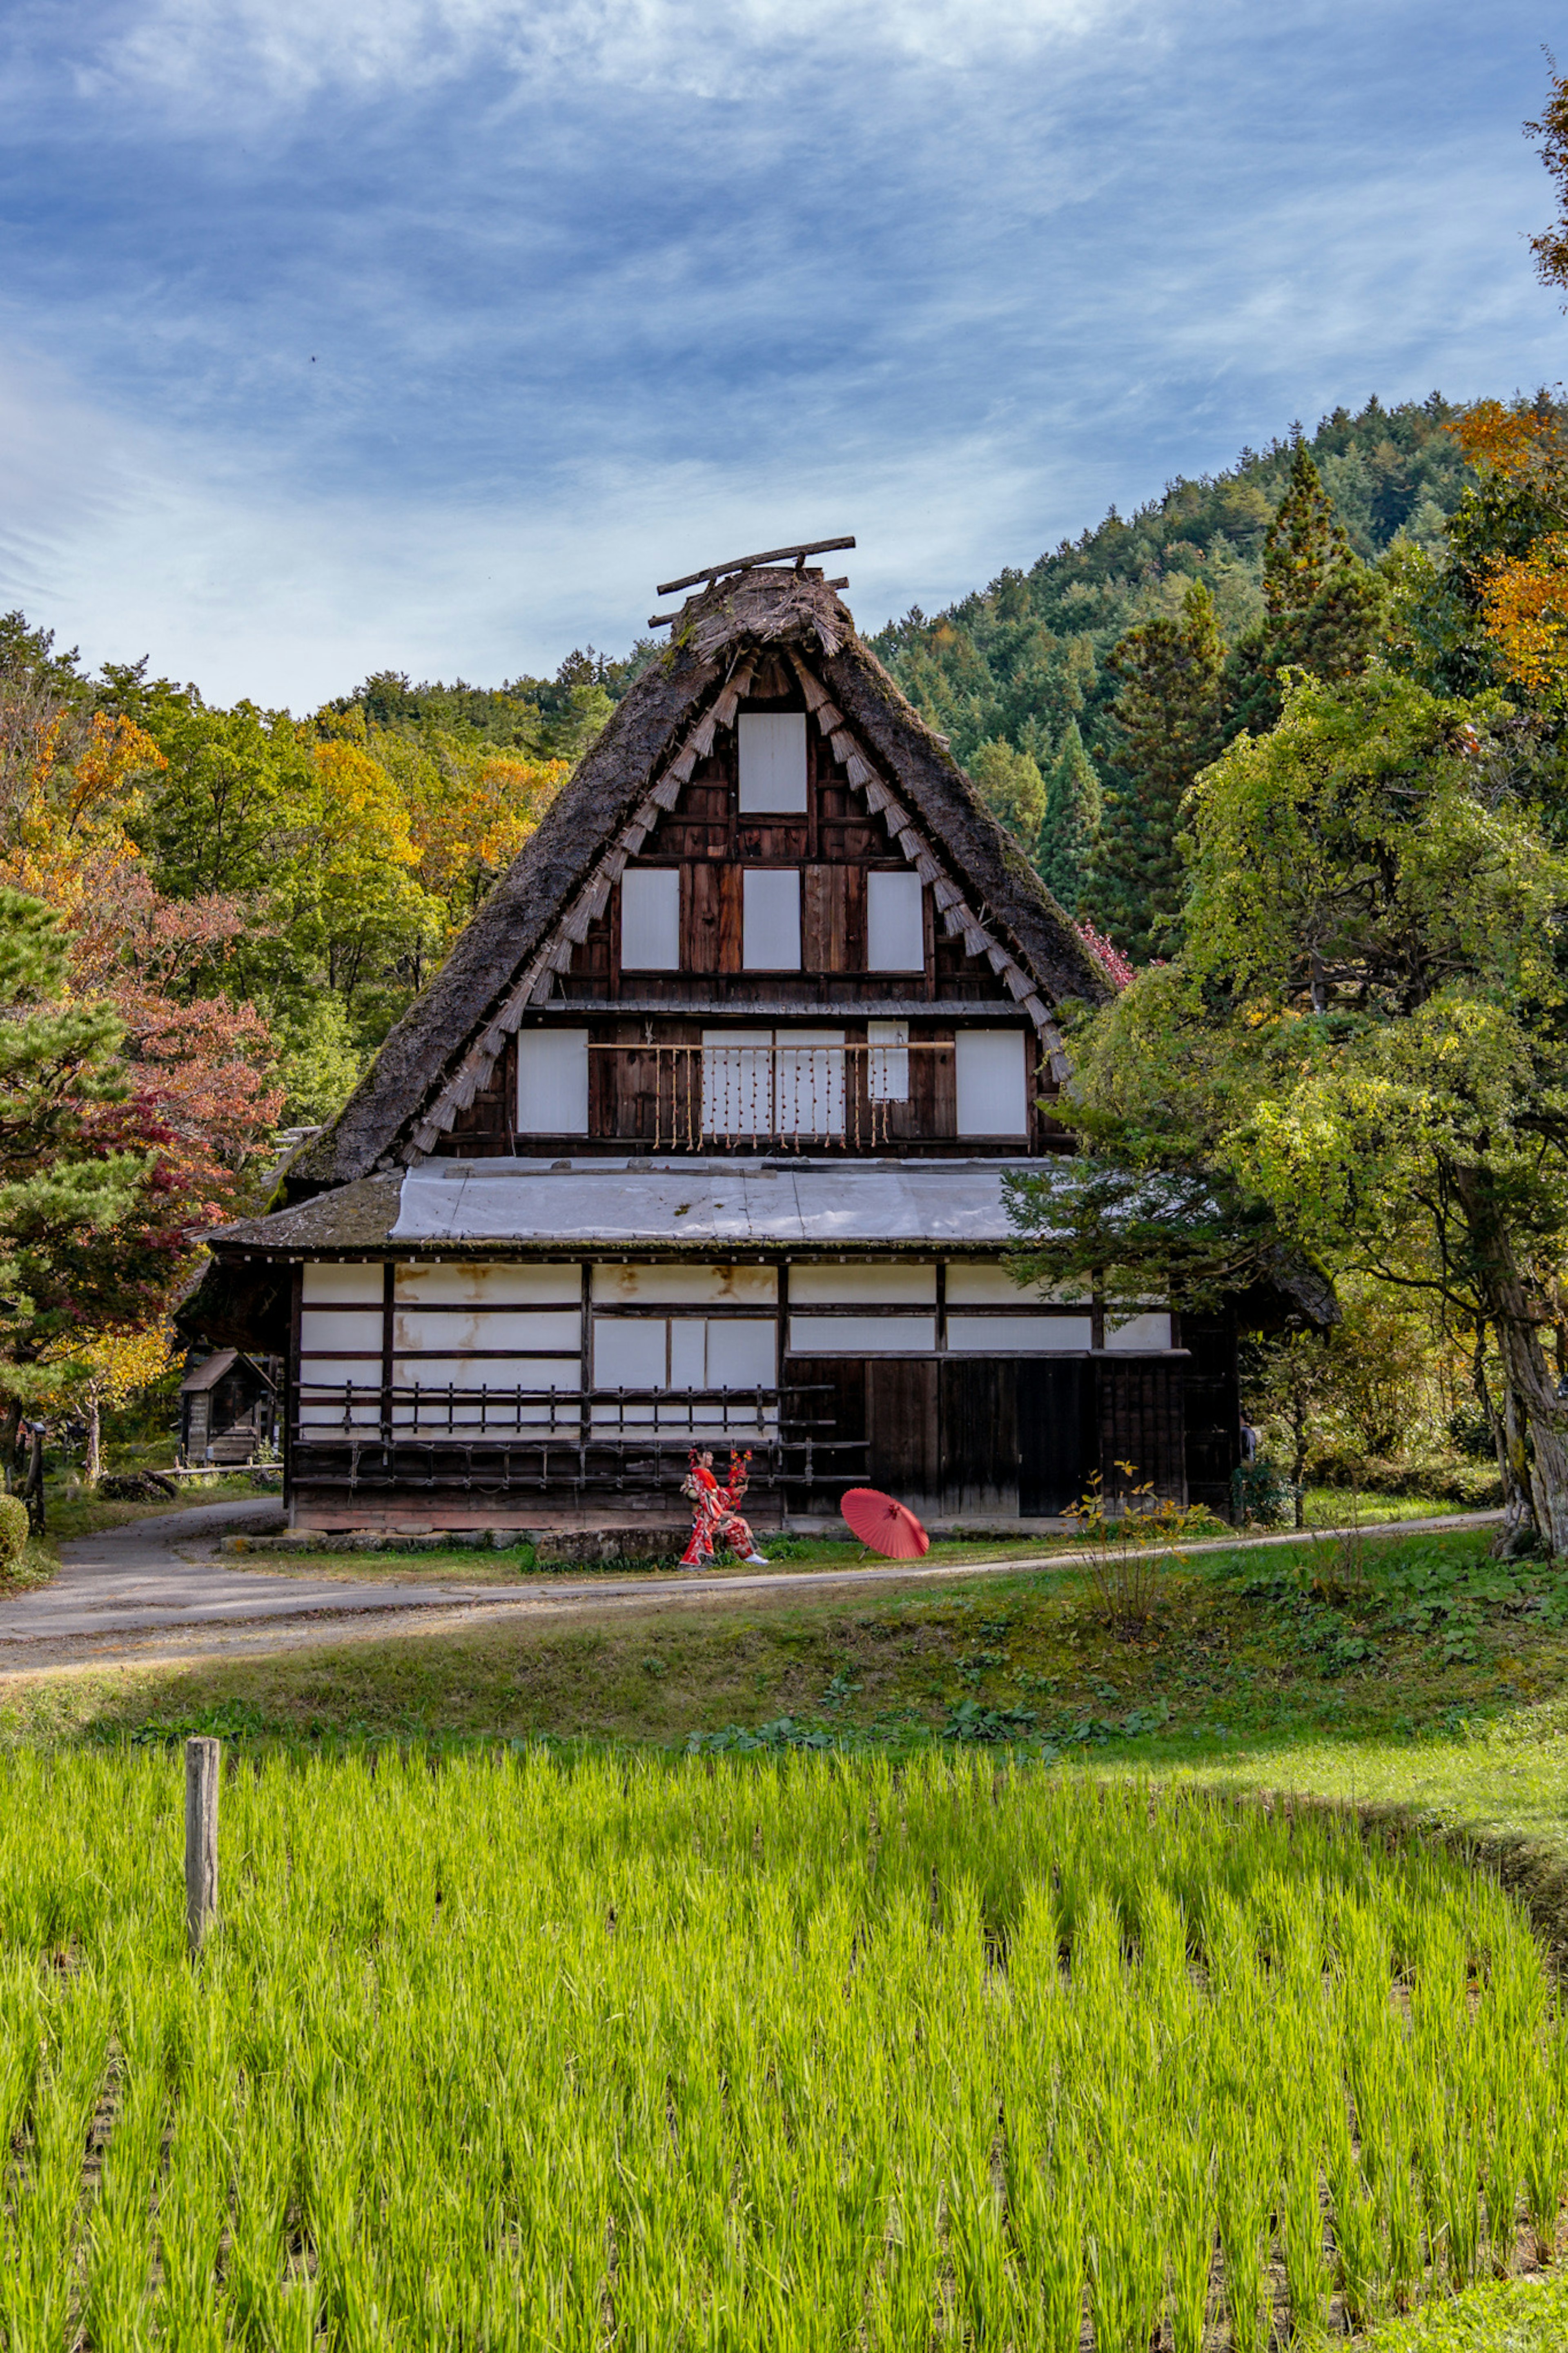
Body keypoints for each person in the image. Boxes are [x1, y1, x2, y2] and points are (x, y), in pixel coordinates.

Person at [680, 1446, 769, 1568]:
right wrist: (721, 1514)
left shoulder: (702, 1473)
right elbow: (707, 1499)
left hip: (708, 1514)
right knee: (740, 1524)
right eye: (709, 1455)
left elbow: (717, 1493)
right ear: (700, 1457)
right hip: (707, 1517)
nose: (712, 1457)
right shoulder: (701, 1475)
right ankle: (748, 1556)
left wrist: (735, 1491)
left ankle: (747, 1555)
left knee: (739, 1523)